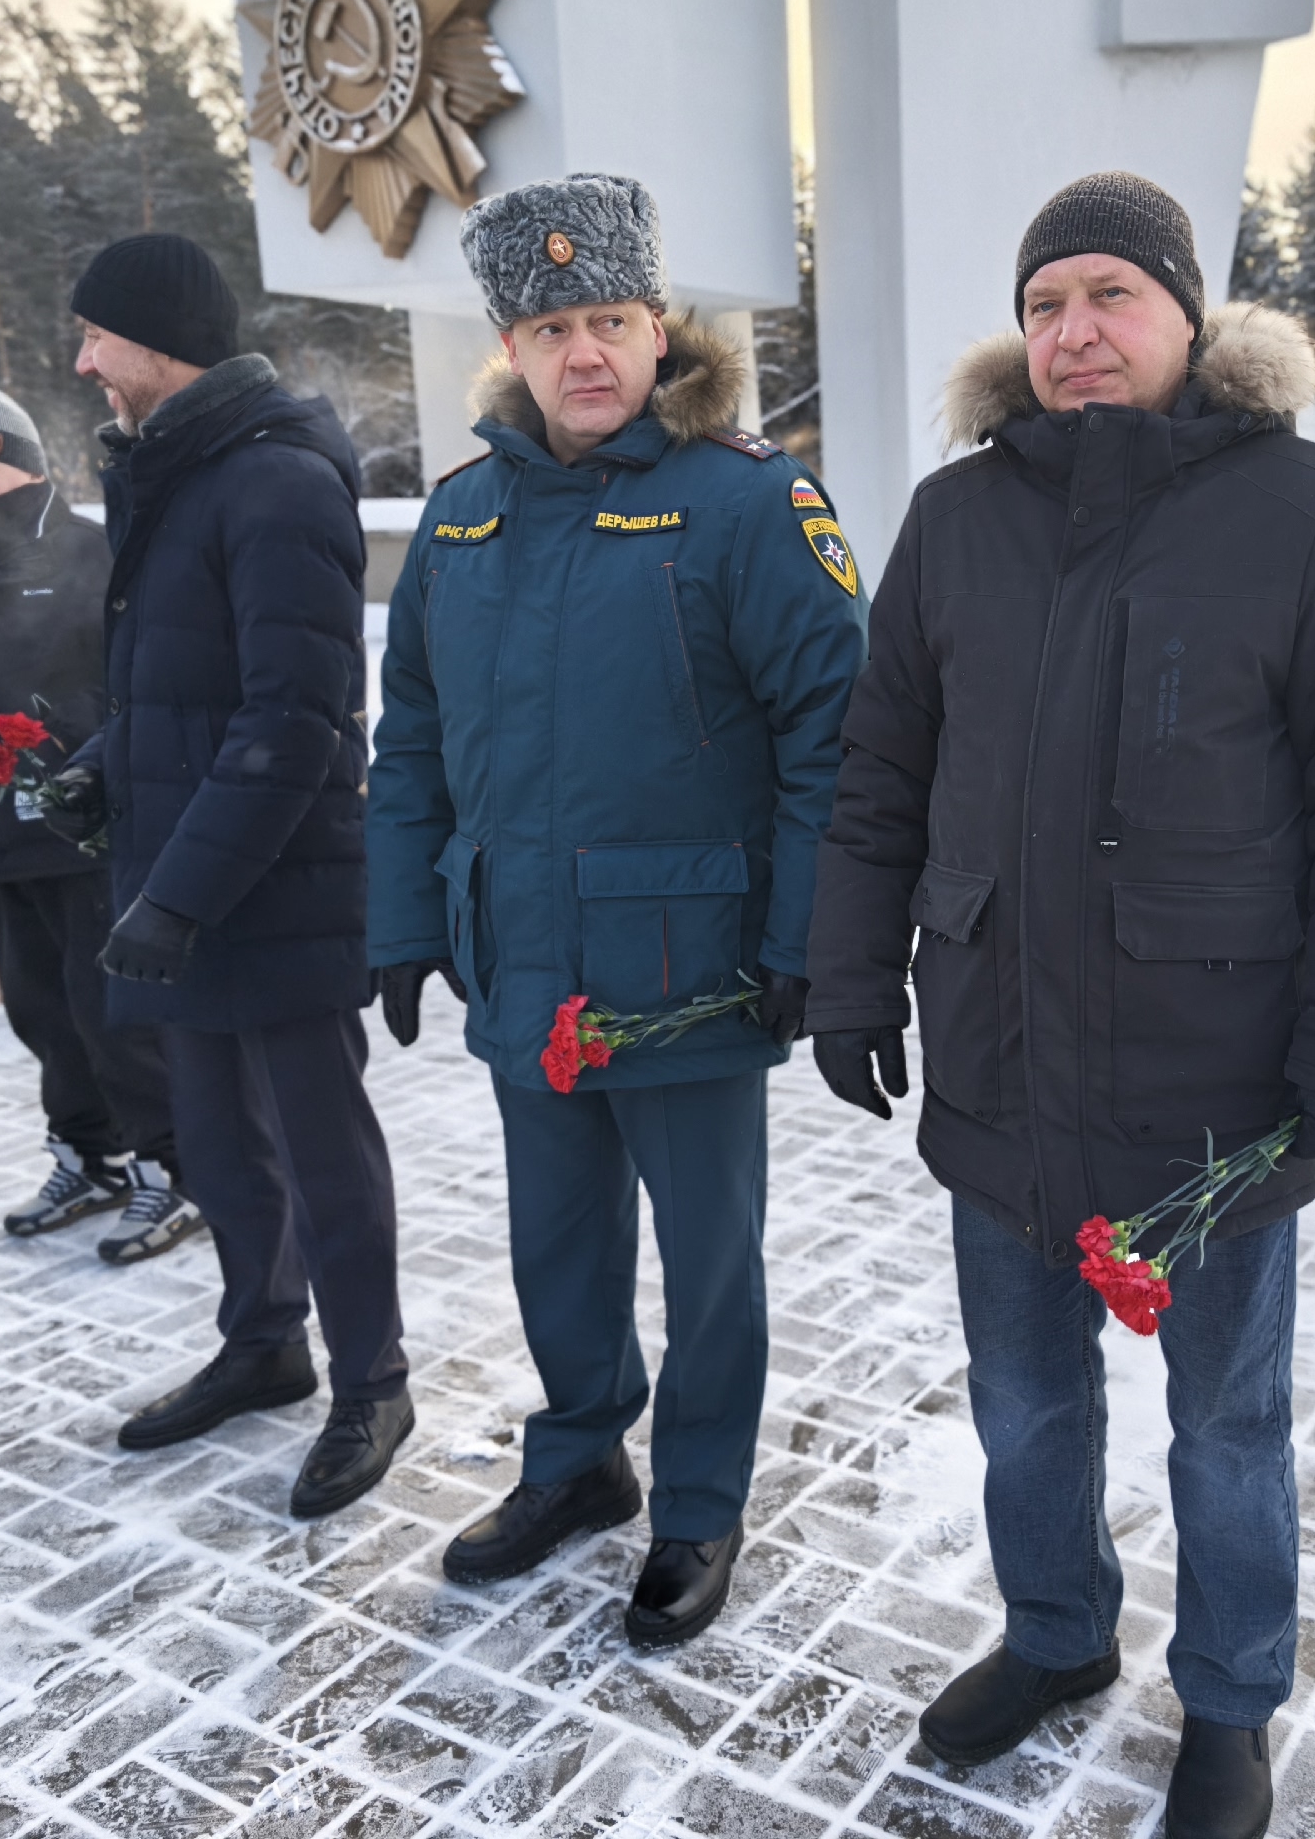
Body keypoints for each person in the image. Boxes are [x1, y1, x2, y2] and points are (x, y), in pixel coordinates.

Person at [801, 173, 1315, 1839]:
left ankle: (1230, 1698)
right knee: (1024, 1403)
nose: (1072, 331)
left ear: (1186, 315)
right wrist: (850, 975)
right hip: (1001, 1056)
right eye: (1043, 305)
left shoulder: (1306, 512)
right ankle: (1057, 1633)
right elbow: (881, 774)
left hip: (1213, 1076)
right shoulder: (959, 518)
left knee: (1227, 1422)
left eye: (1109, 295)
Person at [367, 173, 865, 1648]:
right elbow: (411, 741)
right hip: (522, 961)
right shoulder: (460, 520)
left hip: (690, 967)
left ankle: (699, 1505)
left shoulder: (749, 502)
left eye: (607, 321)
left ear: (658, 327)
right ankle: (580, 1456)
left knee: (709, 1265)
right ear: (510, 348)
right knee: (558, 1242)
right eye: (549, 328)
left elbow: (835, 740)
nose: (582, 353)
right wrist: (404, 921)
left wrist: (807, 944)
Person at [42, 232, 410, 1520]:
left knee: (320, 1151)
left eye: (95, 336)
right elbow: (182, 689)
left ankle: (373, 1382)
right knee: (217, 1142)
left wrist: (178, 896)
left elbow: (294, 720)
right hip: (185, 875)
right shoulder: (180, 472)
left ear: (158, 341)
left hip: (277, 885)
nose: (83, 362)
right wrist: (99, 767)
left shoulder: (275, 481)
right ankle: (264, 1341)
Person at [0, 386, 197, 1263]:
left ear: (25, 468)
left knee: (115, 1015)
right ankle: (91, 1157)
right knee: (42, 1011)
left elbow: (135, 688)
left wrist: (65, 758)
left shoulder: (90, 555)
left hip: (82, 837)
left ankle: (174, 1168)